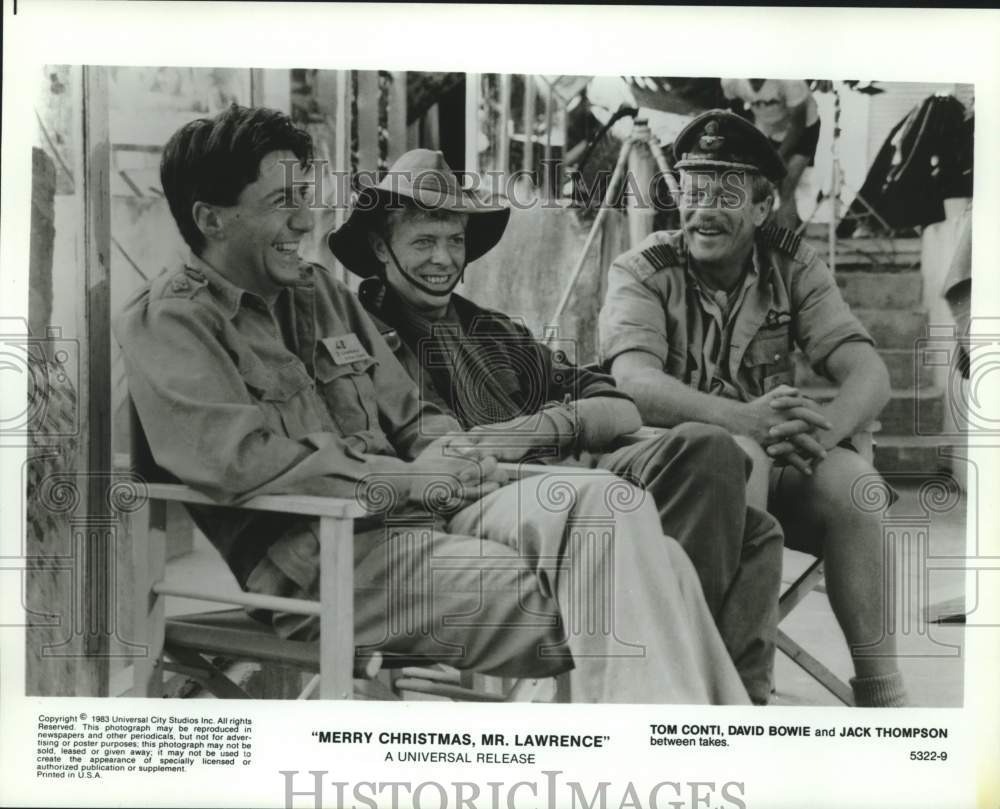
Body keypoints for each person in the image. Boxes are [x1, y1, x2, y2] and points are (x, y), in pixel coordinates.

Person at [114, 103, 751, 705]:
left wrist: (455, 456)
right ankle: (690, 758)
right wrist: (410, 479)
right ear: (210, 218)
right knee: (646, 579)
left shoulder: (319, 295)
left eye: (304, 198)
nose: (305, 222)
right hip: (327, 561)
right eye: (282, 204)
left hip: (434, 513)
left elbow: (412, 416)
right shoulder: (172, 320)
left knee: (621, 509)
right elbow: (240, 463)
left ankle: (690, 752)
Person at [327, 148, 784, 705]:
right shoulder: (367, 335)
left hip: (561, 477)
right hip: (489, 505)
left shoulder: (491, 330)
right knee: (724, 510)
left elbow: (617, 406)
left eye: (454, 240)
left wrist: (536, 429)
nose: (443, 259)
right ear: (381, 247)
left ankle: (697, 692)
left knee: (729, 489)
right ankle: (676, 691)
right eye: (424, 241)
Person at [598, 109, 906, 707]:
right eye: (693, 191)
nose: (704, 209)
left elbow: (869, 373)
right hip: (668, 471)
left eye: (726, 194)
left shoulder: (791, 264)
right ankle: (735, 685)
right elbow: (633, 381)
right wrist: (747, 421)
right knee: (740, 456)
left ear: (763, 208)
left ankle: (882, 691)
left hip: (767, 451)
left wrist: (822, 435)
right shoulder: (642, 269)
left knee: (857, 490)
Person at [721, 79, 820, 230]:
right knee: (759, 184)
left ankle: (786, 244)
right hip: (768, 130)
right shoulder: (732, 81)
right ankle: (782, 225)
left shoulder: (792, 82)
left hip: (803, 130)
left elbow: (797, 126)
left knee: (786, 185)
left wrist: (775, 159)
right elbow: (736, 114)